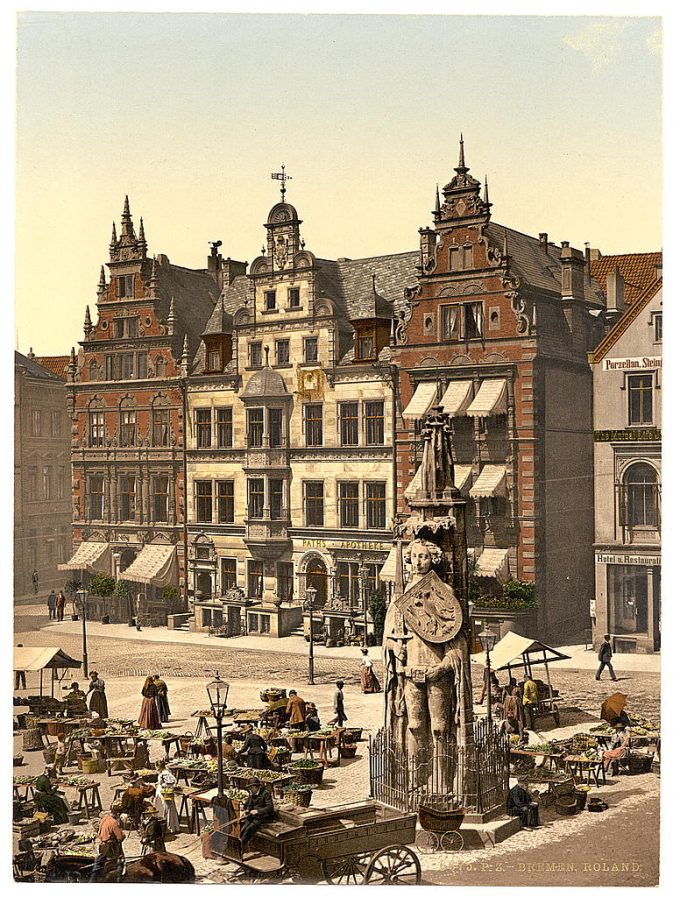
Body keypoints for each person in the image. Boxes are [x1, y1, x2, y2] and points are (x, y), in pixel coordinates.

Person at [89, 810, 126, 882]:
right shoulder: (113, 822)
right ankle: (118, 879)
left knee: (99, 862)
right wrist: (123, 835)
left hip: (103, 846)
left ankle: (93, 879)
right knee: (119, 861)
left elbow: (99, 833)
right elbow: (120, 837)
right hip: (111, 847)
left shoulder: (103, 821)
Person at [239, 779, 274, 844]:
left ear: (255, 787)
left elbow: (270, 808)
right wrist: (247, 810)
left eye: (251, 788)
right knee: (244, 826)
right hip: (254, 816)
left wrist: (257, 811)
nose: (250, 790)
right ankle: (239, 841)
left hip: (264, 817)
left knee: (250, 828)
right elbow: (249, 804)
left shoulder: (266, 793)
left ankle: (241, 844)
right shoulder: (252, 794)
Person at [154, 760, 180, 834]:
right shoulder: (163, 772)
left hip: (165, 793)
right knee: (167, 809)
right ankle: (172, 826)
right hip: (163, 792)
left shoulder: (165, 773)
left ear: (159, 767)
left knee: (167, 809)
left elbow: (172, 781)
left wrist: (162, 785)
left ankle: (170, 827)